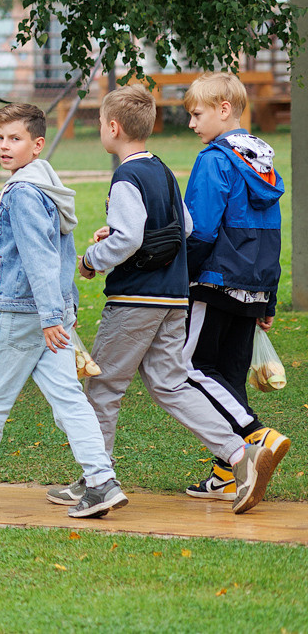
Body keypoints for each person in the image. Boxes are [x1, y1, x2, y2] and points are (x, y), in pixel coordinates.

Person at [61, 84, 282, 515]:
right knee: (170, 383)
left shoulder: (126, 175)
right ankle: (241, 457)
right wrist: (133, 239)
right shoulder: (162, 170)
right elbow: (183, 227)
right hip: (174, 300)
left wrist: (92, 258)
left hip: (134, 299)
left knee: (103, 387)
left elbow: (127, 237)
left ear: (112, 128)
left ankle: (97, 480)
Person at [0, 103, 127, 519]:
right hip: (50, 316)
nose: (4, 146)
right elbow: (58, 255)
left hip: (22, 315)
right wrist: (60, 314)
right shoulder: (45, 185)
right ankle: (102, 482)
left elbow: (39, 258)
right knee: (71, 401)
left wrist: (52, 316)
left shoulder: (22, 193)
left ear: (36, 144)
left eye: (14, 139)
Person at [178, 72, 291, 502]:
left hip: (215, 281)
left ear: (224, 109)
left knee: (188, 368)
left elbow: (201, 230)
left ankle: (256, 436)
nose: (191, 124)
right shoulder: (263, 161)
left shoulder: (214, 159)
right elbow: (273, 232)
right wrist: (270, 297)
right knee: (229, 379)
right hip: (255, 285)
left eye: (196, 114)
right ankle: (229, 474)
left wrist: (180, 275)